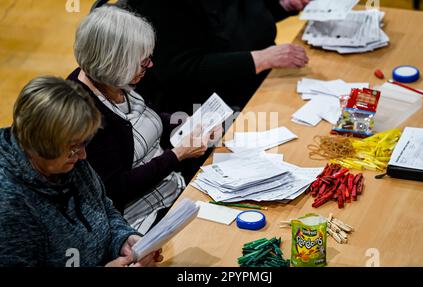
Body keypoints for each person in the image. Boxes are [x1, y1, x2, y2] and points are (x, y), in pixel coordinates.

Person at [68, 6, 221, 234]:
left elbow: (147, 118)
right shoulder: (84, 114)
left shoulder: (113, 80)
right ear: (115, 63)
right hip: (139, 217)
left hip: (172, 185)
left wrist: (185, 122)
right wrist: (178, 154)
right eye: (143, 61)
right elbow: (117, 188)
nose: (150, 65)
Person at [0, 76, 162, 267]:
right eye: (75, 147)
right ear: (39, 145)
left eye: (84, 143)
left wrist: (125, 239)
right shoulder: (9, 203)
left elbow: (105, 208)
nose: (83, 155)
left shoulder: (67, 158)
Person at [123, 0, 310, 113]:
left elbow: (242, 18)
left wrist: (282, 5)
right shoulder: (162, 5)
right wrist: (260, 59)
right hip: (207, 104)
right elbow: (180, 69)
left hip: (263, 78)